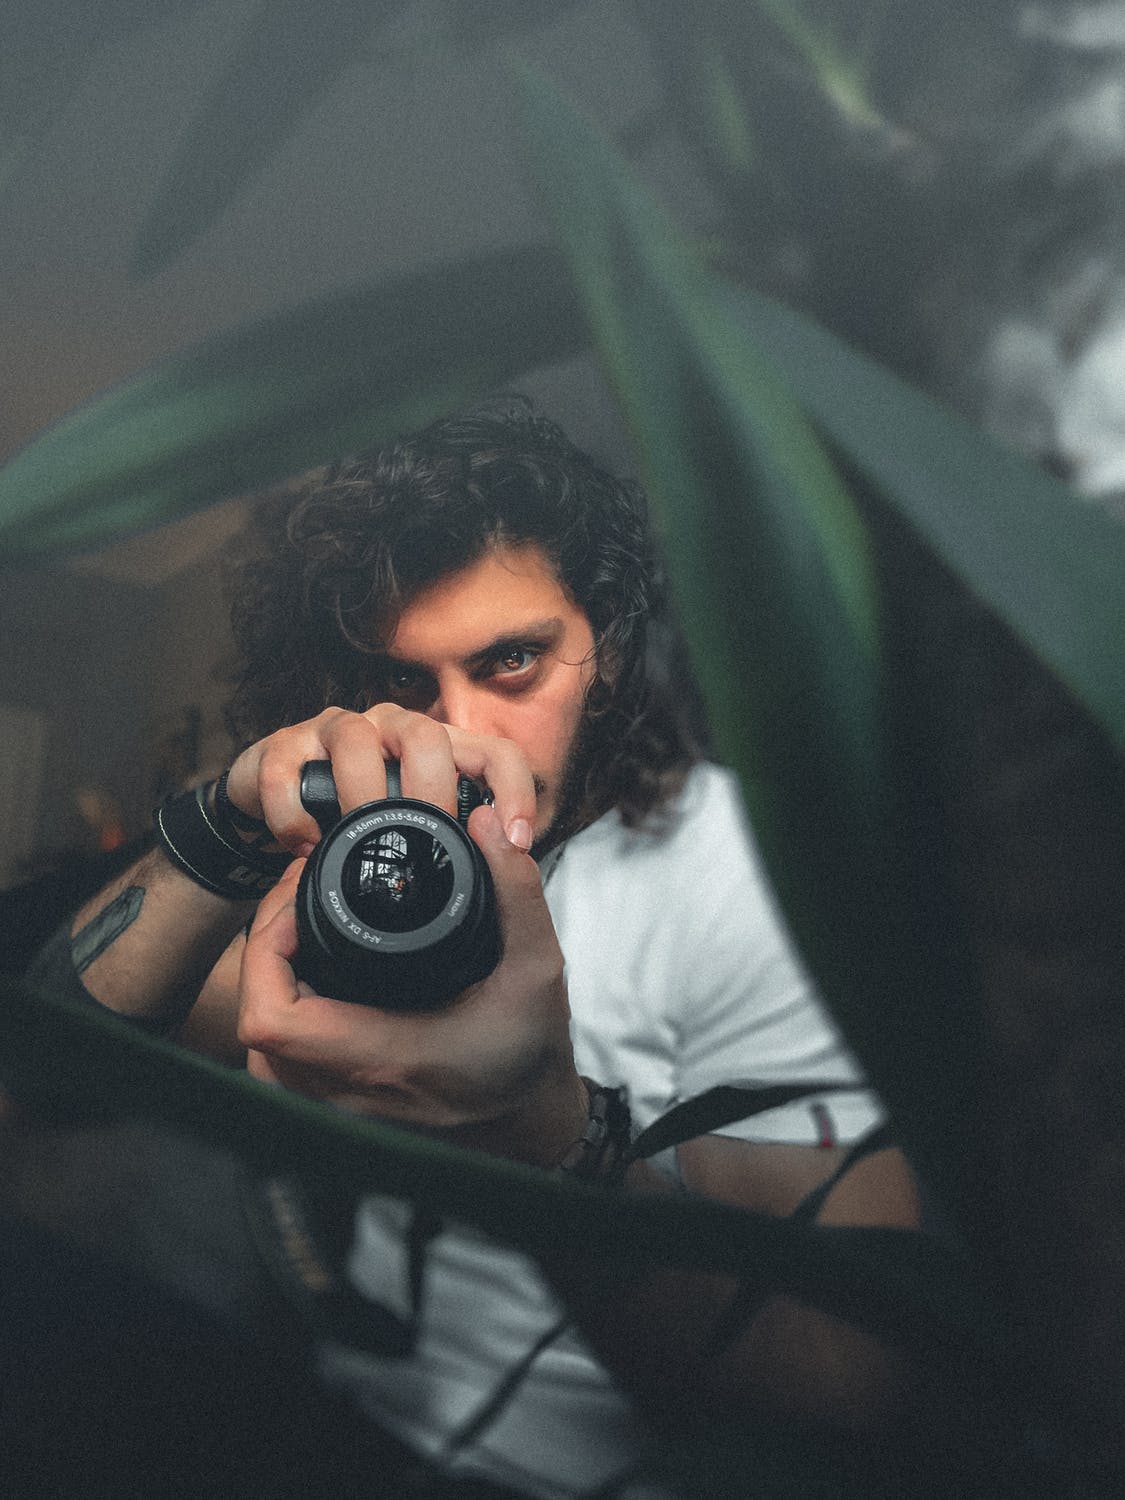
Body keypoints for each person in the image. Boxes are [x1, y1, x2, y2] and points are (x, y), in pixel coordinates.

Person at [29, 398, 919, 1498]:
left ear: (611, 644)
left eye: (513, 663)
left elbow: (841, 1382)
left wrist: (545, 1135)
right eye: (408, 683)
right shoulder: (365, 849)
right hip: (332, 1398)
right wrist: (227, 815)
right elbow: (58, 1060)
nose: (462, 737)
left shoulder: (742, 879)